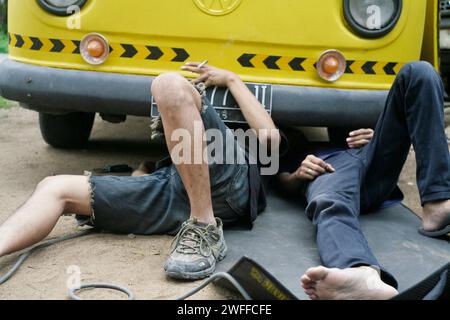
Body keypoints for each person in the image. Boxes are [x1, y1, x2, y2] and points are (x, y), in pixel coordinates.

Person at [0, 62, 279, 280]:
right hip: (173, 189)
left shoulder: (249, 153)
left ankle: (204, 227)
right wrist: (141, 175)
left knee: (169, 84)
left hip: (227, 183)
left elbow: (270, 139)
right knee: (54, 187)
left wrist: (232, 79)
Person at [277, 61, 450, 300]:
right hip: (328, 170)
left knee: (419, 72)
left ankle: (437, 201)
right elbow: (279, 182)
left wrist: (375, 136)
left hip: (368, 156)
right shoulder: (285, 140)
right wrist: (298, 174)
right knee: (329, 200)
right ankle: (359, 272)